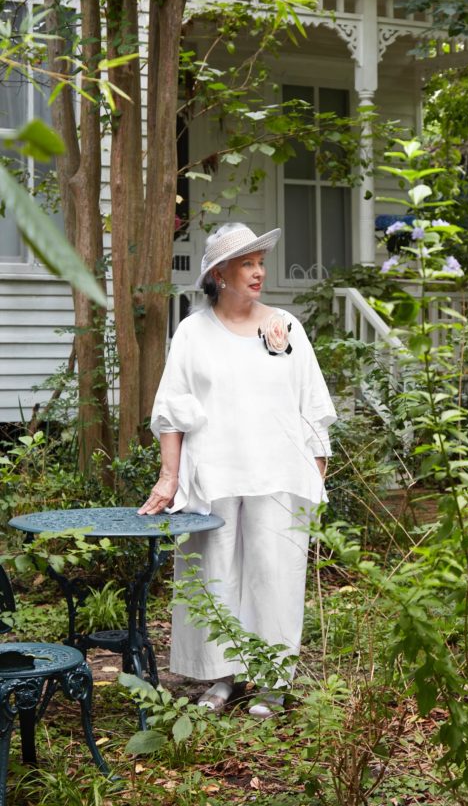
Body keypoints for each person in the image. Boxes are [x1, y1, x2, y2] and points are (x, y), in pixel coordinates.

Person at [139, 222, 336, 717]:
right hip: (215, 476)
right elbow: (172, 410)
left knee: (275, 574)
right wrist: (169, 477)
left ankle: (270, 682)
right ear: (219, 274)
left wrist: (317, 471)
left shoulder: (286, 326)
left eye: (259, 262)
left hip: (279, 475)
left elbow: (312, 406)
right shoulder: (193, 332)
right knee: (213, 574)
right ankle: (219, 677)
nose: (258, 272)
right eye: (246, 264)